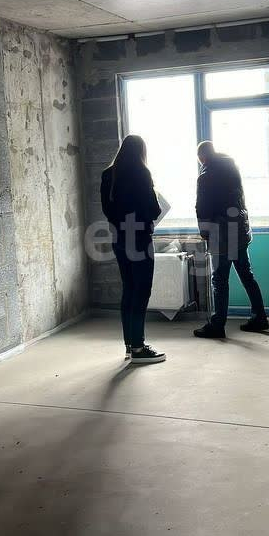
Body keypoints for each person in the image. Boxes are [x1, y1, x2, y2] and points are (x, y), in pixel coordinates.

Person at [101, 135, 166, 364]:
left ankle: (130, 344)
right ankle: (139, 347)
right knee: (142, 291)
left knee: (129, 289)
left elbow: (107, 210)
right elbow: (154, 210)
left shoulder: (108, 174)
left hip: (119, 238)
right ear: (141, 152)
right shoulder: (141, 173)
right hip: (140, 239)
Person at [194, 140, 269, 339]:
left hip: (221, 234)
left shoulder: (206, 177)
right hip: (239, 231)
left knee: (219, 280)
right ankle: (260, 317)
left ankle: (217, 325)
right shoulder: (232, 170)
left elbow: (202, 208)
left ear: (202, 158)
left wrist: (205, 233)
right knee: (247, 275)